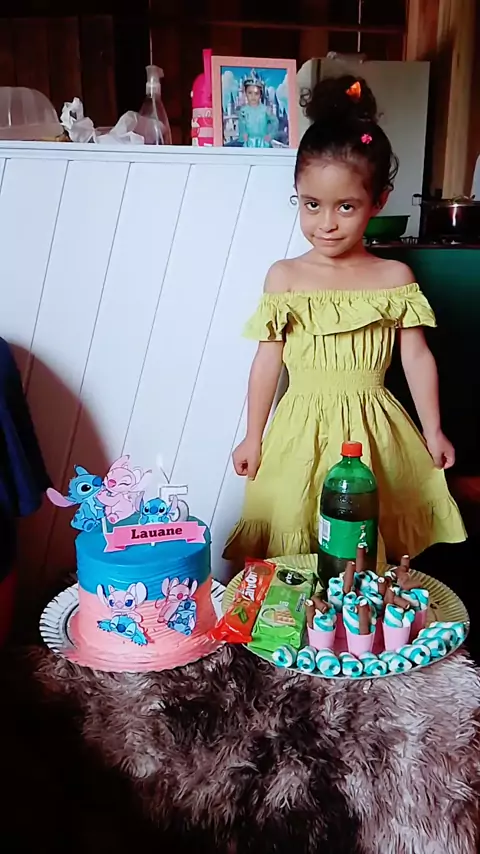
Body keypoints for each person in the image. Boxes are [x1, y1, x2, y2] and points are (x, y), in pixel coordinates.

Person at [223, 75, 466, 568]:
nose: (327, 223)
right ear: (298, 195)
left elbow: (416, 358)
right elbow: (266, 362)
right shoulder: (284, 277)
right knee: (295, 534)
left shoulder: (394, 277)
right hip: (299, 428)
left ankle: (359, 615)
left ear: (379, 201)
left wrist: (434, 430)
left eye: (346, 207)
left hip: (375, 430)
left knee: (363, 543)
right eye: (312, 205)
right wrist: (253, 435)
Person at [238, 72, 278, 148]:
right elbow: (242, 125)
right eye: (250, 93)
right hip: (249, 144)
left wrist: (270, 135)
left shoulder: (265, 110)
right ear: (245, 93)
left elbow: (275, 122)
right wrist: (243, 134)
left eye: (256, 93)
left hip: (263, 144)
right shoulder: (243, 111)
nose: (253, 96)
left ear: (260, 95)